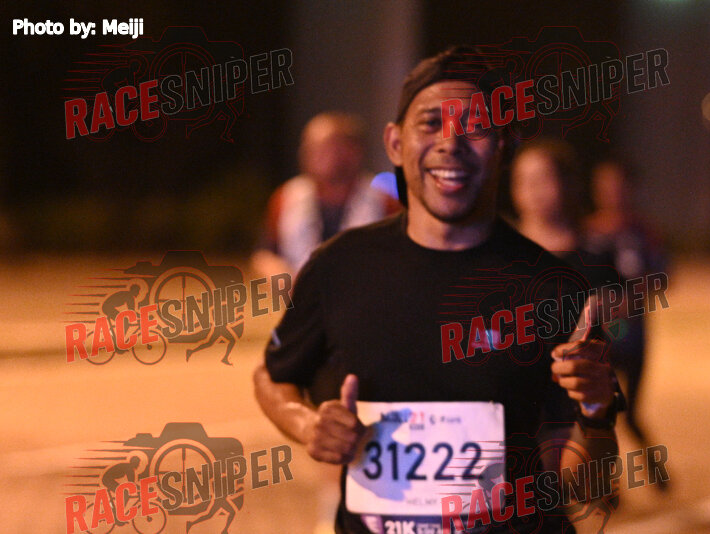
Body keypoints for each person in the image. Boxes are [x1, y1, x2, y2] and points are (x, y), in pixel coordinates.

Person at [254, 47, 621, 534]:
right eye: (431, 123)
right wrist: (305, 425)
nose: (451, 143)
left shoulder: (551, 288)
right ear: (394, 143)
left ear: (505, 144)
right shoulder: (338, 267)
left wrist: (596, 410)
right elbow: (273, 373)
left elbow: (588, 486)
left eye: (476, 127)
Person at [583, 158, 668, 490]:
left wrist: (631, 298)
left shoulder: (643, 232)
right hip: (600, 339)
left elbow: (664, 277)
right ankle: (607, 486)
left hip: (633, 337)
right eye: (605, 186)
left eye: (618, 186)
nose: (612, 193)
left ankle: (654, 468)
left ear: (631, 189)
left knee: (631, 414)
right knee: (601, 413)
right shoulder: (587, 231)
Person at [251, 111, 399, 277]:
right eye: (310, 146)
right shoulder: (287, 197)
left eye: (327, 146)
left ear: (355, 151)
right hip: (300, 290)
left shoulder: (384, 200)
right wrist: (280, 274)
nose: (315, 154)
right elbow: (264, 253)